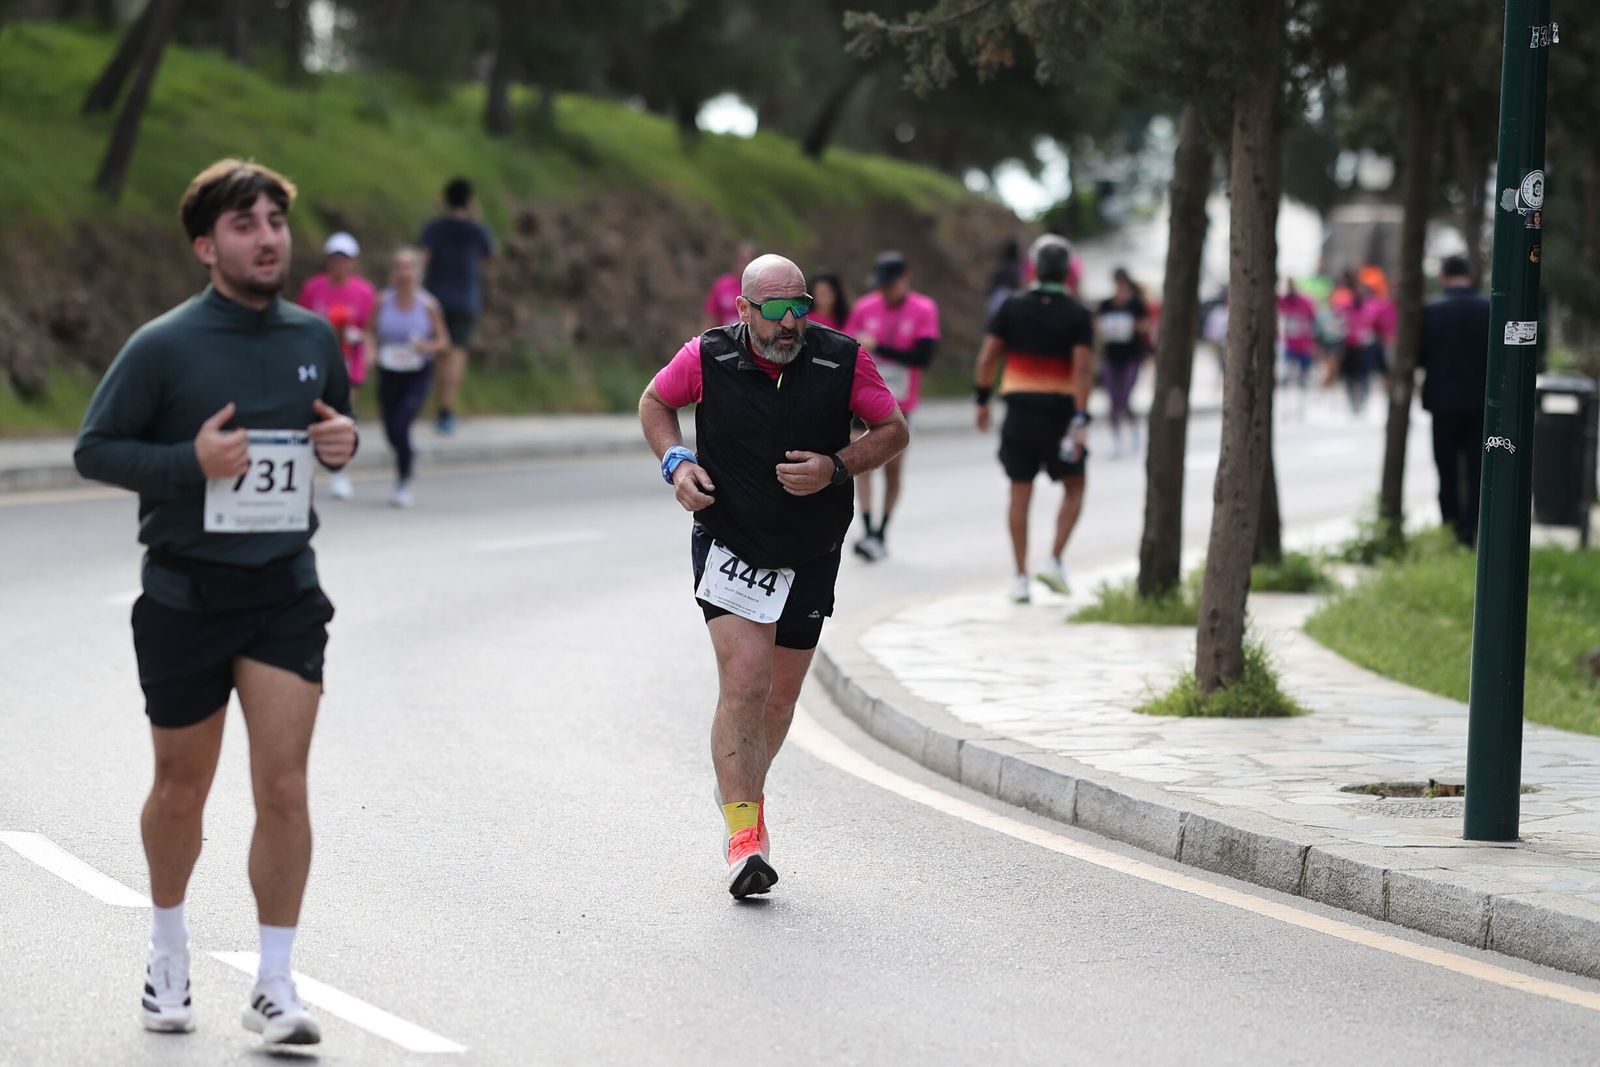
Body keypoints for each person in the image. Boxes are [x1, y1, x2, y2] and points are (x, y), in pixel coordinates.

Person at [73, 158, 357, 1048]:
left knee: (285, 786)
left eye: (275, 220)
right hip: (184, 595)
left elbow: (333, 430)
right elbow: (94, 449)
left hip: (283, 591)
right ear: (206, 246)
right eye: (244, 224)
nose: (267, 237)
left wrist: (343, 444)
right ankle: (168, 949)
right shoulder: (164, 346)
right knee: (180, 788)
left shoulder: (314, 335)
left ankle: (274, 983)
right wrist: (186, 464)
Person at [639, 253, 908, 898]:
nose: (791, 323)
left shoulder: (842, 360)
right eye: (777, 310)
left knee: (780, 698)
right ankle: (745, 838)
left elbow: (893, 429)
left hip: (812, 547)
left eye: (801, 307)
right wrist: (676, 462)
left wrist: (836, 467)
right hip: (730, 539)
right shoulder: (706, 356)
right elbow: (655, 402)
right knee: (746, 680)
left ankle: (740, 789)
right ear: (744, 309)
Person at [974, 234, 1095, 602]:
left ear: (1034, 269)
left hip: (1020, 416)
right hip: (1060, 417)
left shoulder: (1011, 307)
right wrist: (1081, 415)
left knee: (1019, 492)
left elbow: (987, 357)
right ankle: (1054, 560)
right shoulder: (1078, 314)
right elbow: (1082, 370)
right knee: (1075, 485)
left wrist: (982, 400)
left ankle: (1020, 578)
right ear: (1068, 272)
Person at [843, 251, 940, 561]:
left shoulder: (923, 309)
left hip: (900, 403)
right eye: (881, 285)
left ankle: (882, 531)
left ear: (905, 279)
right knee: (861, 461)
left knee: (893, 471)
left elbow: (923, 358)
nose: (884, 291)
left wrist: (881, 348)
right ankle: (868, 529)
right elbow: (847, 346)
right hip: (863, 399)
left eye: (890, 284)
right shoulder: (864, 307)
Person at [1418, 254, 1492, 546]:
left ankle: (1451, 528)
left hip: (1443, 403)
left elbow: (1419, 356)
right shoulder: (1488, 309)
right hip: (1479, 403)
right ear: (1470, 275)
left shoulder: (1431, 311)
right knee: (1477, 471)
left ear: (1442, 276)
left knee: (1446, 471)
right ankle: (1472, 530)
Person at [369, 248, 451, 508]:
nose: (404, 273)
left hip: (416, 372)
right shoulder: (382, 301)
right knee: (390, 429)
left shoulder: (428, 305)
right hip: (389, 370)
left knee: (403, 424)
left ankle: (403, 481)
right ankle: (408, 451)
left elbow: (444, 342)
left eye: (409, 267)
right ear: (392, 272)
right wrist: (371, 352)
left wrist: (425, 346)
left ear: (418, 272)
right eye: (399, 267)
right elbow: (370, 332)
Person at [296, 231, 375, 500]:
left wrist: (358, 337)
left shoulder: (364, 291)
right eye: (335, 258)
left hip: (349, 362)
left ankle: (340, 472)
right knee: (310, 415)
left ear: (353, 262)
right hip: (317, 361)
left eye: (345, 259)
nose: (339, 264)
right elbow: (301, 322)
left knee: (343, 416)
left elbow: (368, 329)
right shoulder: (313, 287)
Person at [417, 177, 493, 435]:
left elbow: (422, 259)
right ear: (470, 200)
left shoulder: (434, 227)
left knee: (438, 352)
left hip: (435, 297)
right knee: (457, 352)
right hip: (465, 298)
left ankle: (431, 403)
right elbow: (489, 255)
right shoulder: (476, 230)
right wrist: (476, 217)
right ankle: (446, 409)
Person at [1096, 267, 1151, 456]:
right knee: (1112, 399)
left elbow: (1146, 326)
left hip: (1131, 356)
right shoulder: (1106, 304)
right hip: (1111, 356)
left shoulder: (1136, 304)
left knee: (1125, 398)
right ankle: (1117, 438)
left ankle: (1133, 430)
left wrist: (1131, 324)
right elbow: (1097, 326)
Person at [1277, 277, 1319, 414]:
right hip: (1288, 345)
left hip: (1304, 345)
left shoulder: (1306, 302)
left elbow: (1313, 321)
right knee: (1288, 375)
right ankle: (1287, 405)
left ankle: (1301, 405)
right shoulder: (1282, 301)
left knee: (1303, 376)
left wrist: (1313, 343)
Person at [703, 239, 757, 330]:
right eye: (742, 260)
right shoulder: (722, 285)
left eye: (749, 261)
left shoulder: (759, 288)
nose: (744, 265)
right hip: (725, 336)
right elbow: (711, 317)